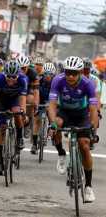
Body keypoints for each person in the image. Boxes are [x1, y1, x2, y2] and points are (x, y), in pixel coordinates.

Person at [48, 56, 98, 202]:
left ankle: (88, 186)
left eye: (74, 73)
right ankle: (61, 154)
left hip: (81, 114)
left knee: (84, 145)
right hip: (64, 112)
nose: (70, 76)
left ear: (80, 72)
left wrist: (93, 128)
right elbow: (51, 105)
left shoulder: (88, 84)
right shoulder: (58, 80)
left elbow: (93, 109)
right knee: (55, 124)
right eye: (68, 72)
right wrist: (52, 124)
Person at [0, 60, 27, 176]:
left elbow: (23, 98)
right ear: (4, 74)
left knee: (18, 115)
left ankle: (19, 138)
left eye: (13, 77)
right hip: (3, 101)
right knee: (3, 130)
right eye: (8, 77)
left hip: (15, 100)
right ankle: (0, 162)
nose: (11, 79)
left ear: (18, 75)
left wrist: (23, 110)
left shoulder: (22, 79)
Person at [30, 62, 56, 154]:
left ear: (53, 75)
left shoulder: (55, 83)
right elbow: (35, 92)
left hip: (51, 103)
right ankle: (34, 144)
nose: (48, 76)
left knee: (52, 117)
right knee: (37, 120)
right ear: (43, 74)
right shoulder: (39, 81)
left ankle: (51, 133)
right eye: (46, 74)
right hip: (40, 101)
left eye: (50, 74)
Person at [17, 55, 39, 138]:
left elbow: (36, 90)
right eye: (20, 68)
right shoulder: (14, 71)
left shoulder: (32, 73)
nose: (22, 71)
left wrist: (36, 104)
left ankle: (28, 120)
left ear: (28, 67)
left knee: (30, 100)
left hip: (28, 89)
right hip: (17, 89)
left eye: (24, 68)